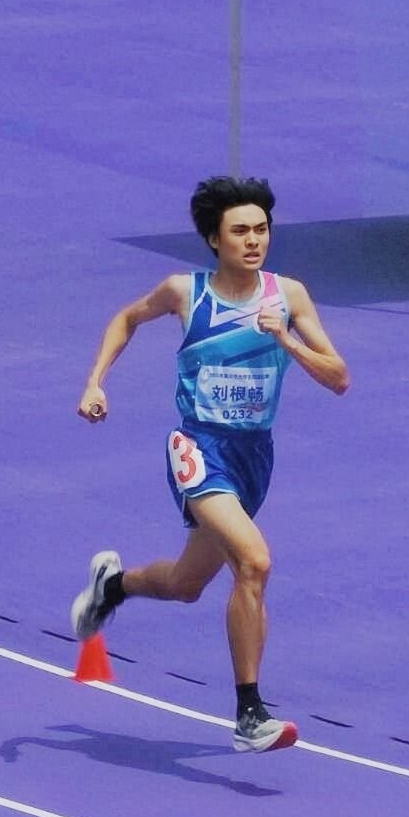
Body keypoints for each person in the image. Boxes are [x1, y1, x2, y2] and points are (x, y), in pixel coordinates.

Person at [71, 176, 350, 753]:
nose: (254, 240)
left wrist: (287, 341)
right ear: (213, 239)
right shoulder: (186, 293)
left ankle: (111, 586)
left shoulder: (289, 296)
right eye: (240, 231)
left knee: (186, 584)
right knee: (254, 562)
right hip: (198, 448)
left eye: (262, 230)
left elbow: (339, 377)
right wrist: (96, 381)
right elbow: (126, 319)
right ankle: (250, 714)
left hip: (254, 456)